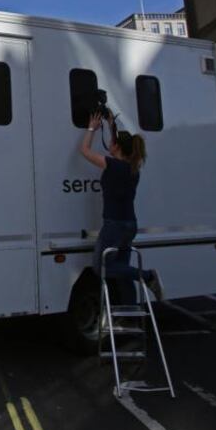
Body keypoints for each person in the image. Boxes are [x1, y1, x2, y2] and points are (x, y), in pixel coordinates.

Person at [78, 112, 164, 304]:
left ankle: (148, 276)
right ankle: (130, 316)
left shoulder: (113, 165)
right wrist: (110, 123)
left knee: (101, 268)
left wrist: (92, 127)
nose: (109, 143)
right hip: (129, 225)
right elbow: (117, 143)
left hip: (114, 226)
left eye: (112, 141)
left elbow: (84, 150)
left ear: (116, 147)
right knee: (122, 273)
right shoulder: (133, 168)